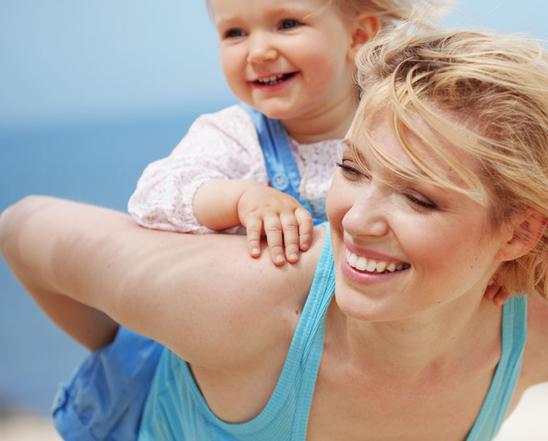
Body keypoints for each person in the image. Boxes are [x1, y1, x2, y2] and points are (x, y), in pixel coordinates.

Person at [0, 25, 548, 440]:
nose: (358, 218)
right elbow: (23, 225)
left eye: (419, 197)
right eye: (352, 167)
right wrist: (119, 345)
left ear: (519, 234)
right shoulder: (239, 306)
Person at [47, 1, 445, 439]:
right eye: (234, 33)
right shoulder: (237, 137)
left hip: (341, 369)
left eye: (286, 24)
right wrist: (239, 198)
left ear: (358, 35)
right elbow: (153, 195)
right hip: (229, 380)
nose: (257, 51)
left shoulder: (398, 128)